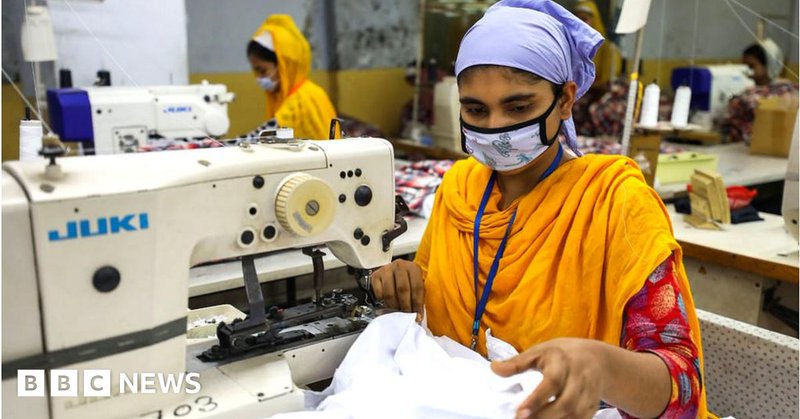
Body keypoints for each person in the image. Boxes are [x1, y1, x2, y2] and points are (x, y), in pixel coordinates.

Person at [371, 1, 708, 418]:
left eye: (518, 108)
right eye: (475, 110)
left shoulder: (615, 204)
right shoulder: (459, 190)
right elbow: (434, 305)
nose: (495, 127)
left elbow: (682, 388)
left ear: (565, 100)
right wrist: (405, 282)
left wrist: (603, 368)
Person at [242, 15, 337, 140]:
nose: (259, 78)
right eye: (256, 71)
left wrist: (222, 145)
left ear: (283, 65)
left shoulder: (301, 101)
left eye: (263, 70)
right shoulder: (288, 96)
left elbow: (263, 136)